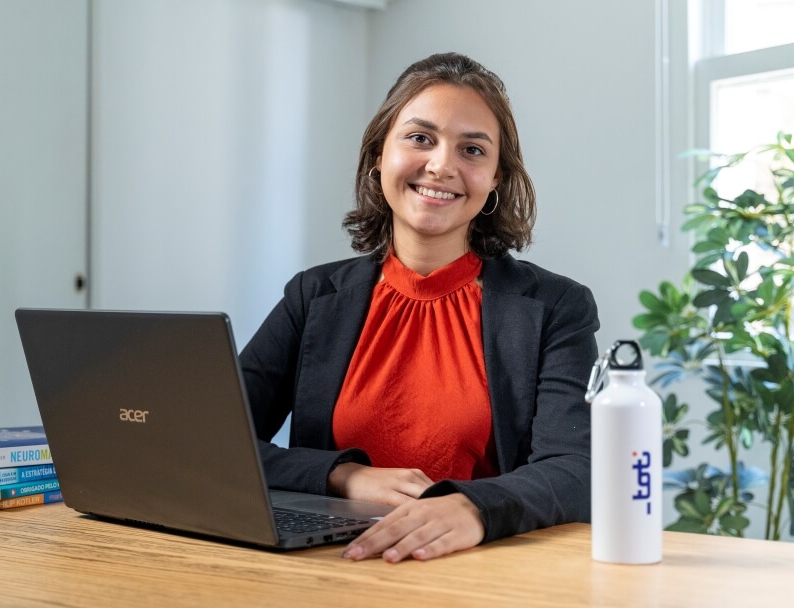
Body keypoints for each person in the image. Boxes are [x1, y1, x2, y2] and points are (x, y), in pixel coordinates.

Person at [239, 52, 600, 562]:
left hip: (483, 570)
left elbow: (576, 469)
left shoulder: (557, 307)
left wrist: (475, 507)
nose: (442, 165)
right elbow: (217, 442)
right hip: (332, 567)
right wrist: (343, 476)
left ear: (496, 178)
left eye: (472, 149)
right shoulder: (313, 296)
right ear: (378, 156)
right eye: (419, 138)